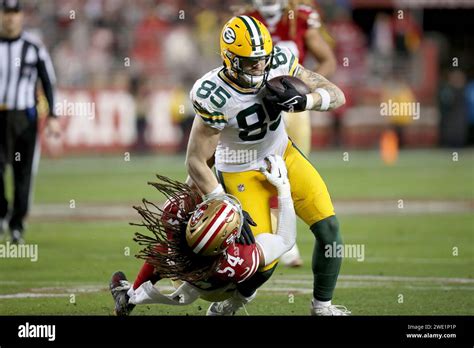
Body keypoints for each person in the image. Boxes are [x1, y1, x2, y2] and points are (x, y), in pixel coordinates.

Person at [185, 16, 350, 315]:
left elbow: (337, 95)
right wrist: (221, 201)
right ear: (230, 59)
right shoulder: (214, 94)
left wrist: (307, 101)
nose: (259, 67)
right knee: (262, 262)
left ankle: (322, 308)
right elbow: (196, 159)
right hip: (241, 170)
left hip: (283, 154)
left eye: (262, 60)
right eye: (250, 62)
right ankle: (230, 303)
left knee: (330, 230)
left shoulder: (280, 61)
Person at [110, 155, 296, 316]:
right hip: (222, 290)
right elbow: (286, 240)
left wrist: (205, 157)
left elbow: (192, 183)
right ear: (228, 242)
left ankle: (129, 298)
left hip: (184, 275)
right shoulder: (238, 260)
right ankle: (233, 303)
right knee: (268, 249)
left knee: (165, 248)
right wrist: (284, 189)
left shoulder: (176, 212)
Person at [246, 0, 337, 266]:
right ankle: (284, 242)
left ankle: (286, 238)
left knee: (290, 172)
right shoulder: (247, 19)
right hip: (258, 109)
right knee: (264, 173)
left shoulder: (299, 17)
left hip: (294, 110)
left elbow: (328, 60)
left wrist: (301, 89)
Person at [0, 0, 60, 243]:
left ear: (21, 16)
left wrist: (53, 116)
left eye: (15, 13)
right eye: (6, 12)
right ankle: (2, 212)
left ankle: (16, 225)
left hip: (24, 117)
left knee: (23, 174)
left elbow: (48, 82)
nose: (11, 18)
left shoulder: (33, 48)